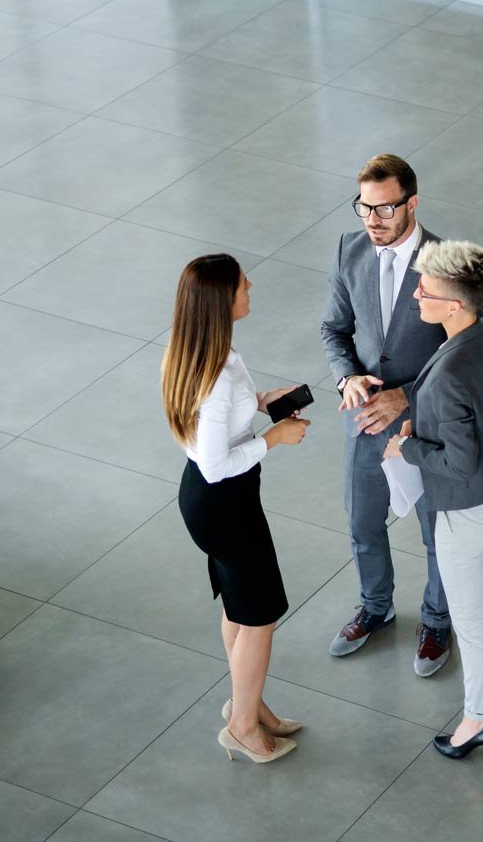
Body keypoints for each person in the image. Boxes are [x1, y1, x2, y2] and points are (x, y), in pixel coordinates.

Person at [384, 240, 483, 760]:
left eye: (425, 288)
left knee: (469, 621)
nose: (417, 294)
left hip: (468, 511)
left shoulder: (446, 370)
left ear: (453, 305)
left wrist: (409, 445)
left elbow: (457, 463)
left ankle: (477, 719)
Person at [162, 253, 310, 766]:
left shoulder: (208, 353)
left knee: (237, 604)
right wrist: (273, 439)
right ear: (223, 302)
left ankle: (248, 704)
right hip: (223, 502)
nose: (251, 286)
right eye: (243, 285)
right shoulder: (216, 377)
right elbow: (213, 464)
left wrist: (267, 401)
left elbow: (222, 425)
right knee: (261, 615)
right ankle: (243, 727)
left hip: (221, 502)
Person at [320, 154, 453, 674]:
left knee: (436, 531)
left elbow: (465, 358)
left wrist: (410, 397)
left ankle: (437, 621)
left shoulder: (446, 263)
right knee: (362, 522)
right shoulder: (350, 250)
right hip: (365, 421)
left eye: (385, 209)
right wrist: (346, 377)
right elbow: (333, 330)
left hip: (427, 425)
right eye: (364, 208)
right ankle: (375, 609)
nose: (372, 220)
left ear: (412, 203)